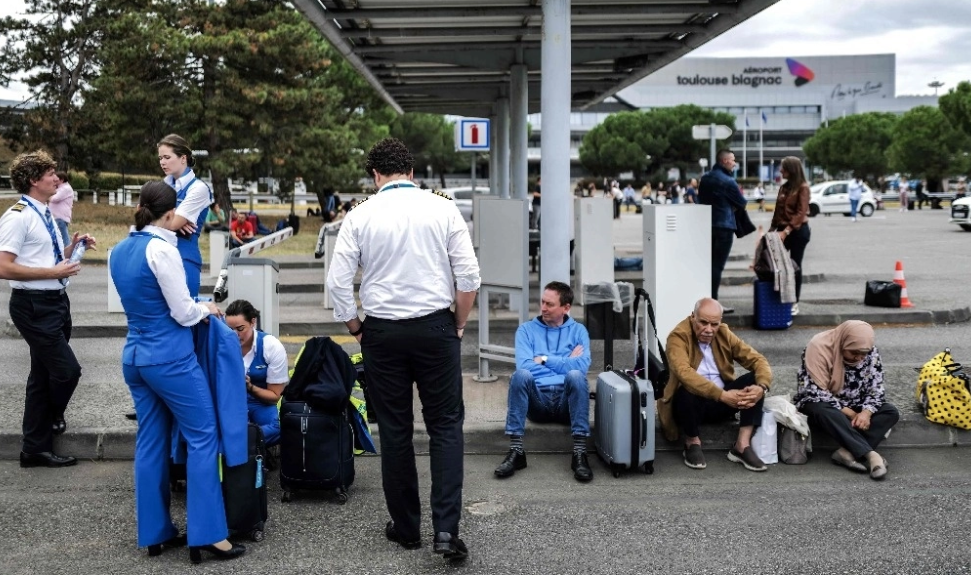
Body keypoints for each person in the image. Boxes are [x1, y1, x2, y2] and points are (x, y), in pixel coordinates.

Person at [326, 137, 480, 562]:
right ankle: (446, 531)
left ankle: (407, 528)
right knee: (446, 426)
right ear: (411, 172)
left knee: (395, 430)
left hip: (382, 332)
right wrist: (459, 321)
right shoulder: (443, 206)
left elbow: (337, 284)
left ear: (375, 176)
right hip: (435, 327)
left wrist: (356, 326)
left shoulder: (359, 214)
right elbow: (468, 277)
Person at [108, 181, 245, 563]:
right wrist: (209, 309)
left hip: (134, 356)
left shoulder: (119, 249)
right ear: (170, 214)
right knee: (203, 436)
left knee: (150, 441)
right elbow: (183, 312)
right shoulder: (161, 249)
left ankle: (154, 531)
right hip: (169, 358)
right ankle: (209, 535)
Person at [0, 150, 95, 468]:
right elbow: (4, 267)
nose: (57, 178)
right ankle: (53, 417)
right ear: (33, 180)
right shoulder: (17, 216)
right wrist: (52, 273)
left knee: (41, 377)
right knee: (67, 371)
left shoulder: (44, 212)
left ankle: (34, 449)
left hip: (55, 303)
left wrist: (74, 247)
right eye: (51, 174)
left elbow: (44, 257)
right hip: (33, 305)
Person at [658, 298, 773, 472]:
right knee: (685, 391)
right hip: (691, 407)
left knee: (754, 382)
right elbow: (684, 373)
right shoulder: (678, 337)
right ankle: (692, 442)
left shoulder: (723, 333)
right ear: (693, 318)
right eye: (703, 323)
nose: (708, 330)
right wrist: (723, 395)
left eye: (714, 324)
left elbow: (758, 360)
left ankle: (742, 445)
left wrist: (762, 387)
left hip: (722, 402)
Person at [494, 281, 593, 483]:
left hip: (567, 403)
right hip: (538, 401)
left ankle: (580, 454)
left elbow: (581, 368)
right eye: (542, 302)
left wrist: (545, 359)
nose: (543, 308)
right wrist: (567, 361)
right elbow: (525, 365)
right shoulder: (526, 330)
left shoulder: (579, 331)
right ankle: (516, 451)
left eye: (550, 304)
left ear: (566, 308)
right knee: (520, 376)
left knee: (576, 377)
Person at [793, 321, 899, 481]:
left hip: (857, 404)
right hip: (822, 402)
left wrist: (866, 413)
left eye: (863, 353)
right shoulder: (818, 347)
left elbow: (876, 389)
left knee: (890, 412)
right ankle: (871, 455)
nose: (859, 357)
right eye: (854, 352)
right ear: (843, 343)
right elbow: (813, 391)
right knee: (823, 410)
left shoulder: (870, 352)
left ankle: (846, 452)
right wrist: (849, 413)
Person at [225, 299, 288, 447]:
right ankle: (250, 442)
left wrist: (250, 387)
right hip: (231, 403)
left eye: (240, 329)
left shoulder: (271, 346)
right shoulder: (221, 344)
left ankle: (239, 441)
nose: (235, 335)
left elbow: (274, 397)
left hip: (260, 403)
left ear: (253, 322)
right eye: (229, 329)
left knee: (282, 426)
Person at [158, 134, 212, 298]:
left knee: (184, 320)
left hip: (184, 260)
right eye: (160, 158)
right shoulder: (163, 184)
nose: (162, 162)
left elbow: (173, 223)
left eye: (167, 157)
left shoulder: (198, 188)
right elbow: (140, 216)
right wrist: (170, 220)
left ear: (183, 158)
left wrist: (158, 218)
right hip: (159, 258)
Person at [698, 149, 747, 305]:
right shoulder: (728, 181)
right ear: (725, 161)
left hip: (706, 225)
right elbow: (742, 202)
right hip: (724, 227)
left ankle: (704, 300)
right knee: (717, 266)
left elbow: (701, 200)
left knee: (707, 264)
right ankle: (713, 302)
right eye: (732, 160)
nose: (734, 163)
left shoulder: (705, 178)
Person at [770, 156, 811, 316]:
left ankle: (794, 302)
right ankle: (779, 297)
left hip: (797, 231)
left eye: (784, 168)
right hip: (781, 231)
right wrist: (771, 230)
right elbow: (777, 211)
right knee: (775, 265)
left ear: (792, 170)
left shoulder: (803, 187)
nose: (781, 171)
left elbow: (801, 213)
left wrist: (786, 231)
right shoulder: (784, 188)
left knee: (795, 266)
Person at [49, 171, 74, 247]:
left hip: (60, 217)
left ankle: (69, 256)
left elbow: (55, 198)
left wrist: (47, 196)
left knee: (64, 239)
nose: (54, 182)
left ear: (62, 180)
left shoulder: (65, 189)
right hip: (56, 217)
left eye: (56, 180)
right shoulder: (61, 188)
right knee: (58, 238)